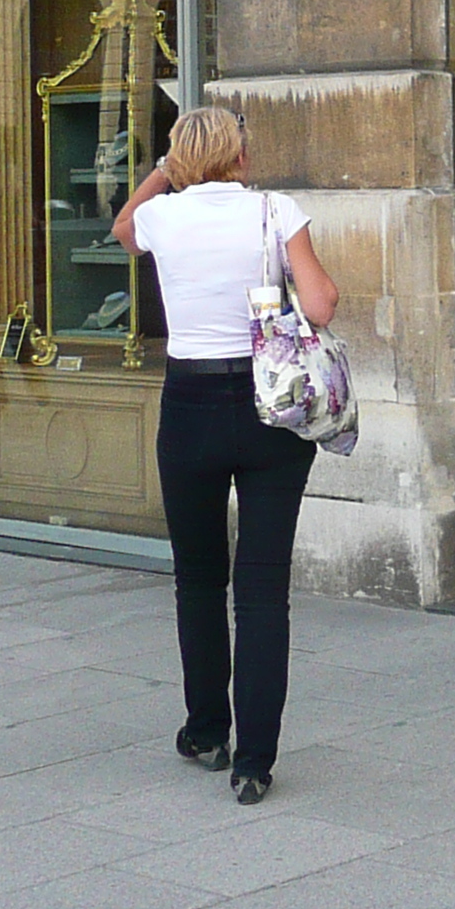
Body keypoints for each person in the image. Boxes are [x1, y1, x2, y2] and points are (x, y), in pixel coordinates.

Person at [109, 106, 338, 807]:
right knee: (263, 589)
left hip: (190, 407)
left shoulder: (163, 217)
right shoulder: (275, 210)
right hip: (270, 408)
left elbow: (122, 228)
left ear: (179, 161)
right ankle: (255, 761)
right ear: (242, 157)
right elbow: (322, 306)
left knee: (199, 579)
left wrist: (162, 172)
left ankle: (207, 730)